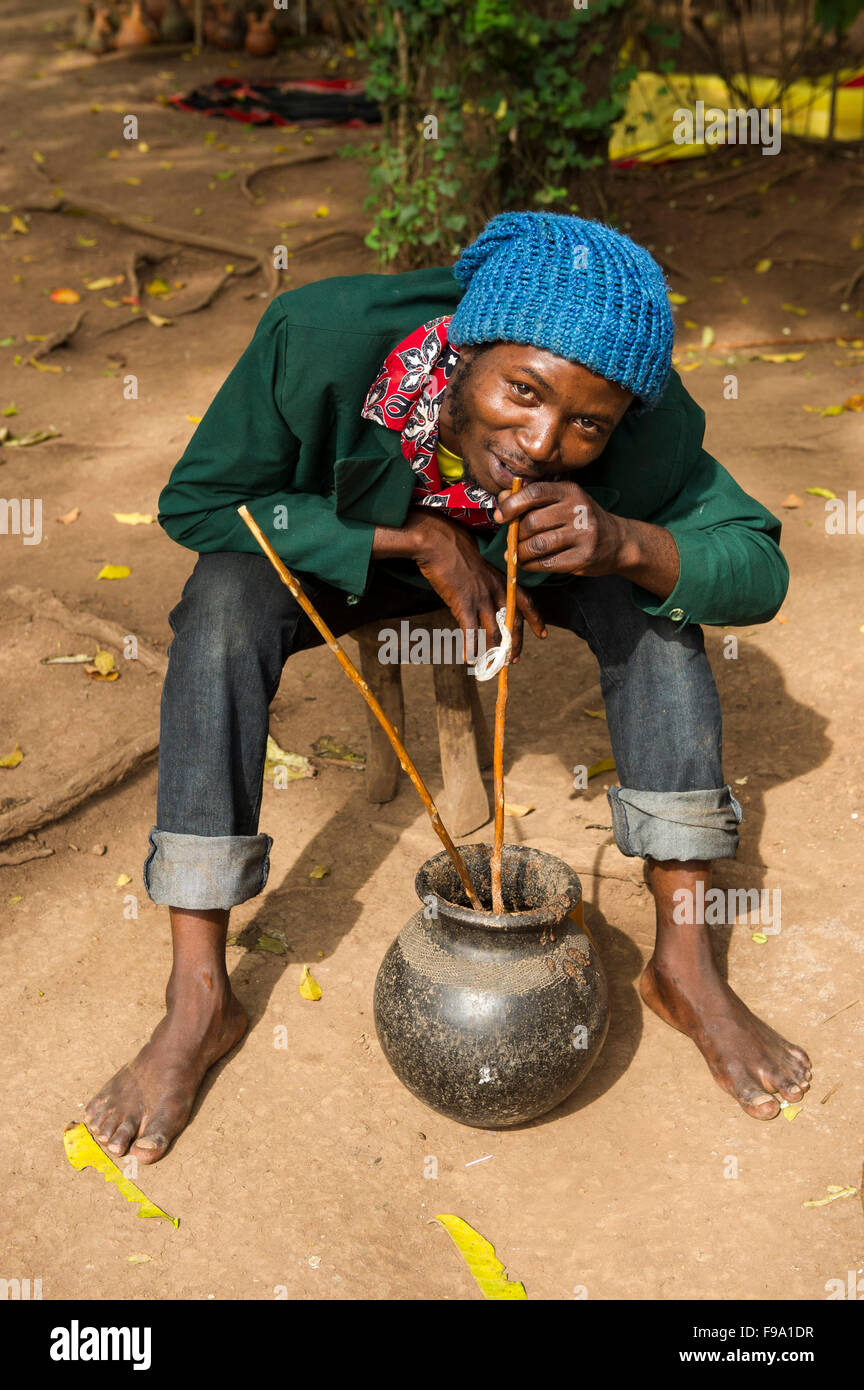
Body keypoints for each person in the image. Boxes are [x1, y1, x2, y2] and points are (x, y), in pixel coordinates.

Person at [84, 211, 811, 1165]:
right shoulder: (321, 338)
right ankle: (198, 992)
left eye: (585, 424)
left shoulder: (648, 408)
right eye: (523, 392)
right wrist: (422, 539)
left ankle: (684, 965)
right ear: (468, 345)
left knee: (660, 607)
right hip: (351, 551)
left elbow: (758, 563)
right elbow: (202, 502)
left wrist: (627, 543)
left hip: (545, 564)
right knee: (223, 605)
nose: (545, 440)